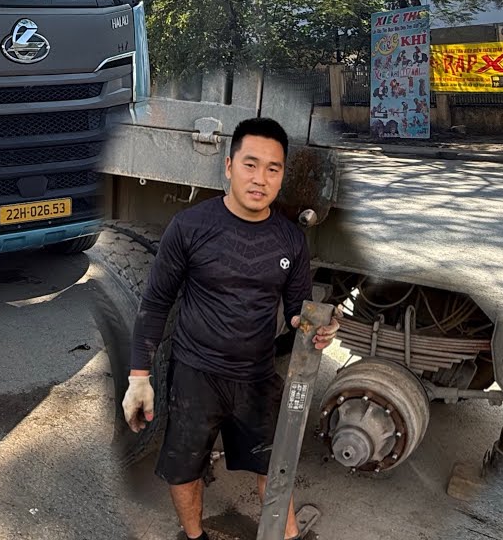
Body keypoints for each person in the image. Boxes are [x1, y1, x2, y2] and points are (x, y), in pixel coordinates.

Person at [121, 118, 340, 540]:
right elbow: (155, 305)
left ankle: (284, 535)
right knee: (184, 468)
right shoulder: (190, 227)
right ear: (228, 166)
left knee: (273, 465)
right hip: (195, 373)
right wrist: (139, 376)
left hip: (256, 376)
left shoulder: (291, 241)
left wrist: (320, 328)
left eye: (273, 169)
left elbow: (299, 315)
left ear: (282, 176)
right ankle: (194, 535)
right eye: (250, 164)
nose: (260, 178)